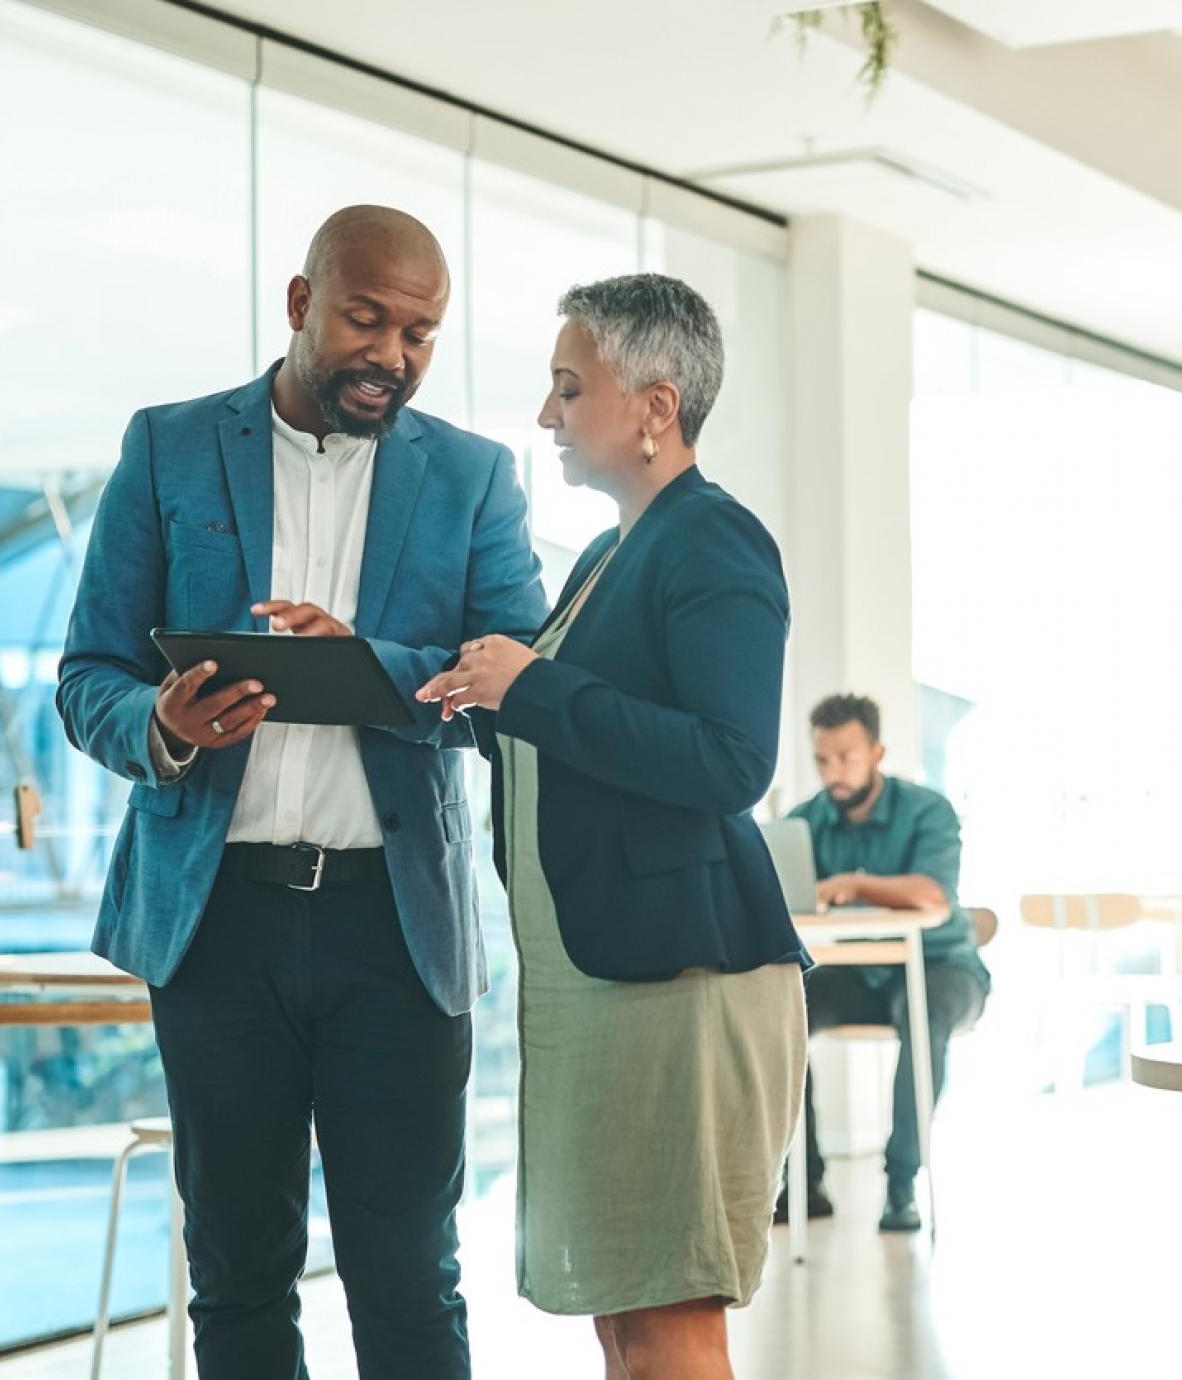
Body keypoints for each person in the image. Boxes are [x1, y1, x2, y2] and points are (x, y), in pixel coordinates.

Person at [56, 205, 547, 1380]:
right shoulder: (170, 448)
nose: (392, 355)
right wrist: (162, 728)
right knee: (234, 1276)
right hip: (219, 922)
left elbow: (517, 685)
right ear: (299, 304)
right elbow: (88, 677)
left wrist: (365, 664)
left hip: (399, 927)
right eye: (367, 319)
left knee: (408, 1278)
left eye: (420, 333)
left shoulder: (475, 479)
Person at [415, 274, 806, 1380]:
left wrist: (529, 690)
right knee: (626, 1320)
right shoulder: (604, 556)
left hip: (681, 983)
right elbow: (571, 738)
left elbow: (730, 762)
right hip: (608, 979)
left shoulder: (713, 543)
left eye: (567, 387)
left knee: (668, 1313)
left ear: (654, 406)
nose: (545, 415)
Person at [782, 693, 992, 1233]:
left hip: (944, 968)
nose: (835, 772)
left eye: (847, 757)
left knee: (923, 1017)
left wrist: (854, 884)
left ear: (877, 752)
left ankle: (901, 1184)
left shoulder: (929, 811)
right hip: (858, 972)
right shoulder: (803, 823)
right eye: (823, 759)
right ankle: (803, 1183)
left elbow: (933, 896)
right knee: (784, 1011)